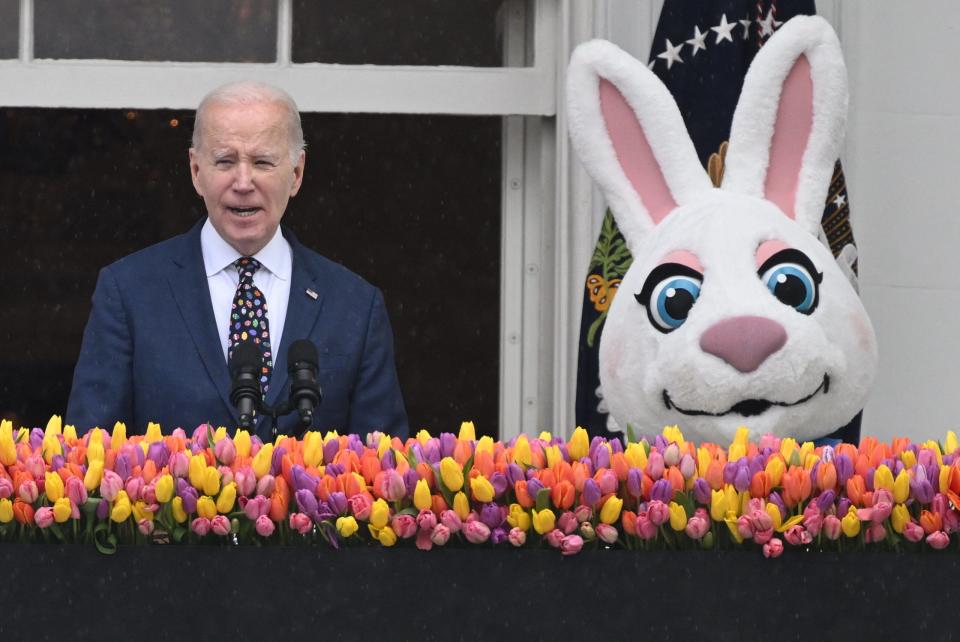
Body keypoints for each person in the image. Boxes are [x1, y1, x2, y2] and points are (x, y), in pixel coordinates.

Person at [66, 81, 408, 440]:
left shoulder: (355, 305)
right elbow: (88, 458)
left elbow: (385, 473)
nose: (243, 182)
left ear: (296, 173)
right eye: (225, 161)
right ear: (196, 171)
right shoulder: (129, 292)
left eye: (262, 162)